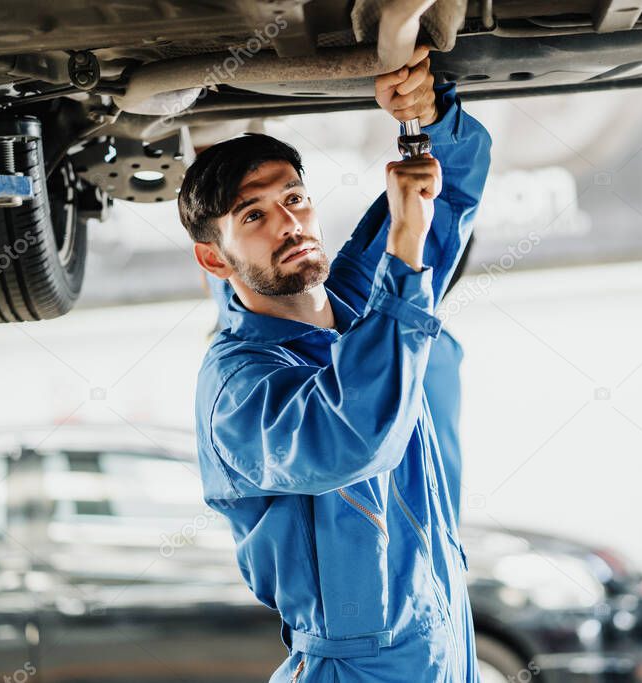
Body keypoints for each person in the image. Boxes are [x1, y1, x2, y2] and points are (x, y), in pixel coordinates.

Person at [178, 44, 491, 683]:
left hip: (445, 632)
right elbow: (355, 436)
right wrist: (403, 250)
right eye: (254, 216)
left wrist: (428, 115)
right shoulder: (236, 389)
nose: (288, 223)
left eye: (294, 197)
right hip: (357, 668)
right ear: (215, 258)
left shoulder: (352, 303)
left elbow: (449, 186)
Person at [201, 235, 473, 524]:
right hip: (429, 535)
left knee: (245, 285)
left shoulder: (407, 349)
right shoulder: (441, 352)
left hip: (380, 527)